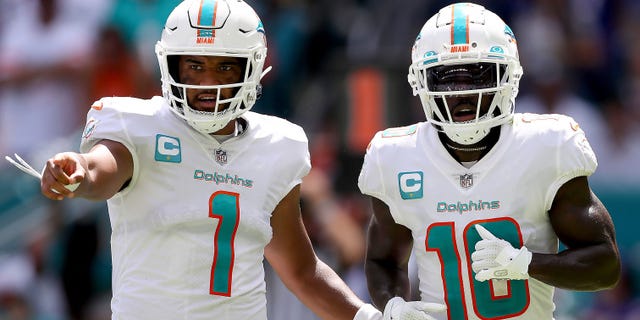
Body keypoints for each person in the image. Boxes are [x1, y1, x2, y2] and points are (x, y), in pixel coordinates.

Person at [35, 0, 382, 319]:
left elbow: (302, 271)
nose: (208, 81)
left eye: (226, 67)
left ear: (253, 69)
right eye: (195, 65)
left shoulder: (276, 146)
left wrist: (367, 317)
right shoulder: (137, 125)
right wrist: (80, 169)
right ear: (171, 65)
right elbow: (103, 167)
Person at [357, 2, 621, 320]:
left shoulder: (545, 146)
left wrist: (525, 263)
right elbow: (381, 261)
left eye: (478, 75)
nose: (462, 91)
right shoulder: (396, 158)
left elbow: (605, 266)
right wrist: (393, 304)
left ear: (508, 76)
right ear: (422, 82)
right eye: (445, 78)